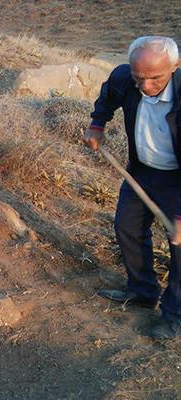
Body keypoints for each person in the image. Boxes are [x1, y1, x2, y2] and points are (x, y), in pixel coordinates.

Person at [84, 36, 180, 340]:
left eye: (155, 78)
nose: (146, 86)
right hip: (141, 171)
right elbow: (108, 94)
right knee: (127, 226)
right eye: (140, 78)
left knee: (179, 247)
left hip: (177, 179)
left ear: (175, 67)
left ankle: (173, 315)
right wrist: (97, 123)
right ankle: (142, 291)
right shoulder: (125, 78)